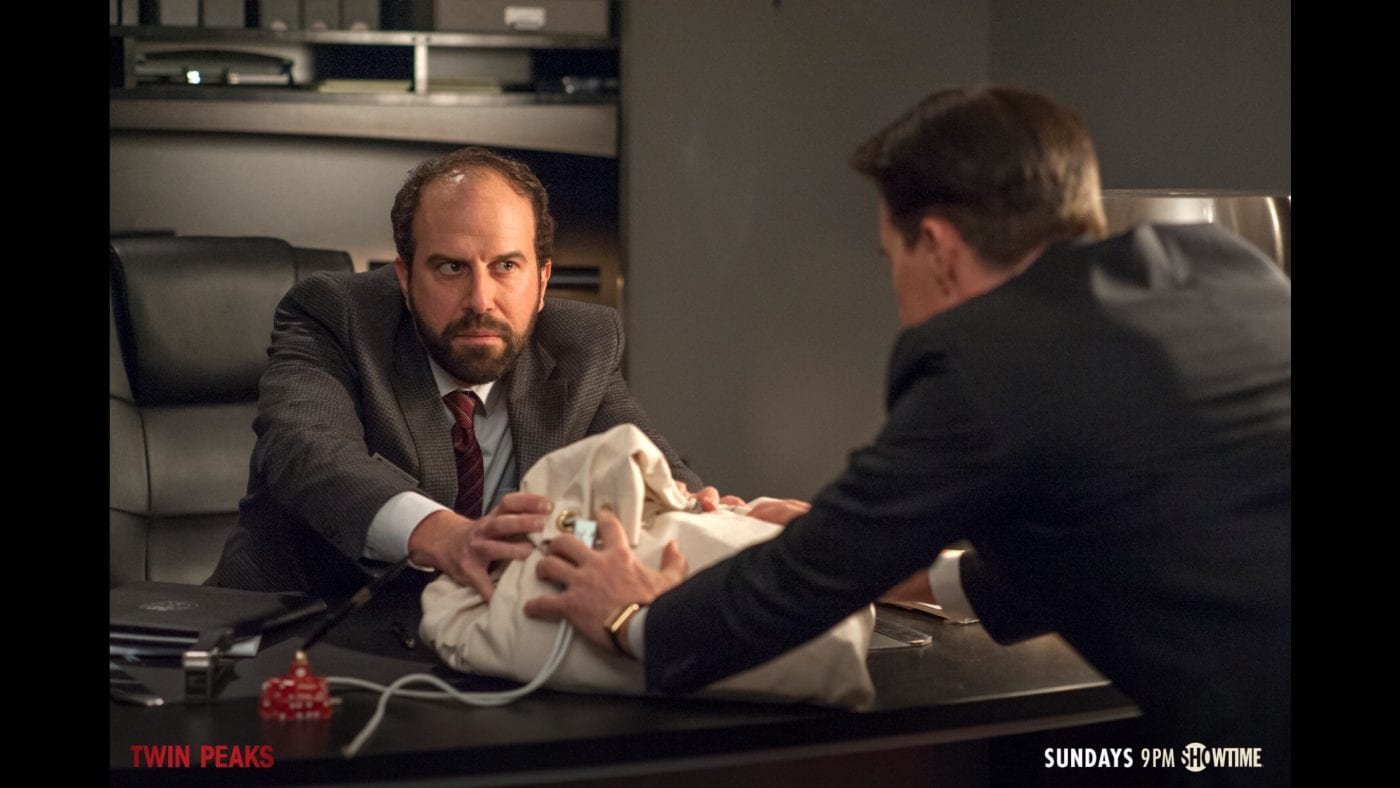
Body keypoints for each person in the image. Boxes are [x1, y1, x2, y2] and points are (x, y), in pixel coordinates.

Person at [523, 85, 1291, 773]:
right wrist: (894, 561)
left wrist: (636, 619)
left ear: (941, 250)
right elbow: (1120, 524)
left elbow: (801, 585)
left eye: (892, 257)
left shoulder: (987, 361)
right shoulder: (1220, 263)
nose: (895, 288)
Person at [207, 146, 704, 614]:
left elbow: (654, 471)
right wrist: (444, 534)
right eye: (451, 267)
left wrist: (701, 514)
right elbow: (306, 450)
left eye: (506, 266)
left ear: (542, 281)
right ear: (405, 279)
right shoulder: (336, 316)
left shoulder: (583, 343)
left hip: (489, 645)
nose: (481, 300)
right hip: (302, 633)